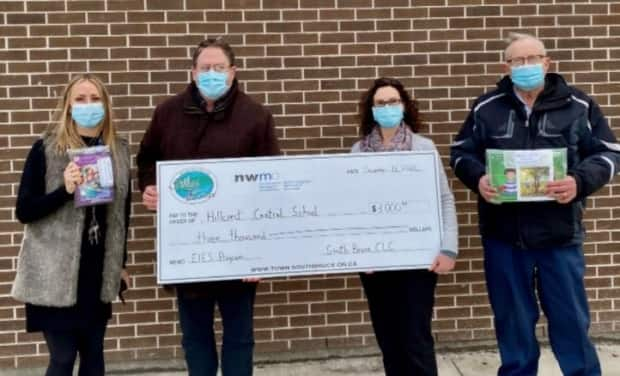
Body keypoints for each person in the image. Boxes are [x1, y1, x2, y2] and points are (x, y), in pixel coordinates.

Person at [450, 33, 620, 376]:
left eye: (533, 59)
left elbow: (608, 153)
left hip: (560, 235)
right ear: (506, 67)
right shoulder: (487, 107)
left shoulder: (579, 105)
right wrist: (479, 178)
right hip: (504, 237)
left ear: (547, 62)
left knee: (570, 319)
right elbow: (461, 153)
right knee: (512, 322)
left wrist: (579, 181)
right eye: (517, 61)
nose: (526, 66)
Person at [136, 38, 280, 376]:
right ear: (193, 72)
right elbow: (147, 159)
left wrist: (263, 251)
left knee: (239, 336)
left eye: (219, 68)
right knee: (195, 335)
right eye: (205, 68)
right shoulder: (167, 113)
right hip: (188, 246)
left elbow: (272, 182)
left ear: (233, 73)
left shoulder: (256, 116)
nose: (211, 74)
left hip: (239, 246)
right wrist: (149, 187)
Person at [12, 74, 132, 376]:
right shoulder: (46, 149)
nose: (88, 105)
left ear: (105, 105)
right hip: (54, 271)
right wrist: (64, 191)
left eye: (95, 99)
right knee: (63, 358)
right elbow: (24, 210)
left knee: (94, 356)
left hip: (96, 269)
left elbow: (122, 213)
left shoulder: (118, 150)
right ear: (67, 105)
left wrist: (121, 263)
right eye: (80, 99)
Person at [351, 77, 458, 376]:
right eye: (380, 103)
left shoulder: (423, 148)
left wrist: (448, 248)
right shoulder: (358, 151)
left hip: (418, 259)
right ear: (371, 110)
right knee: (388, 337)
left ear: (405, 106)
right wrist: (360, 253)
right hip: (375, 262)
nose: (387, 107)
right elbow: (351, 208)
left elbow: (444, 199)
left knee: (415, 337)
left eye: (393, 101)